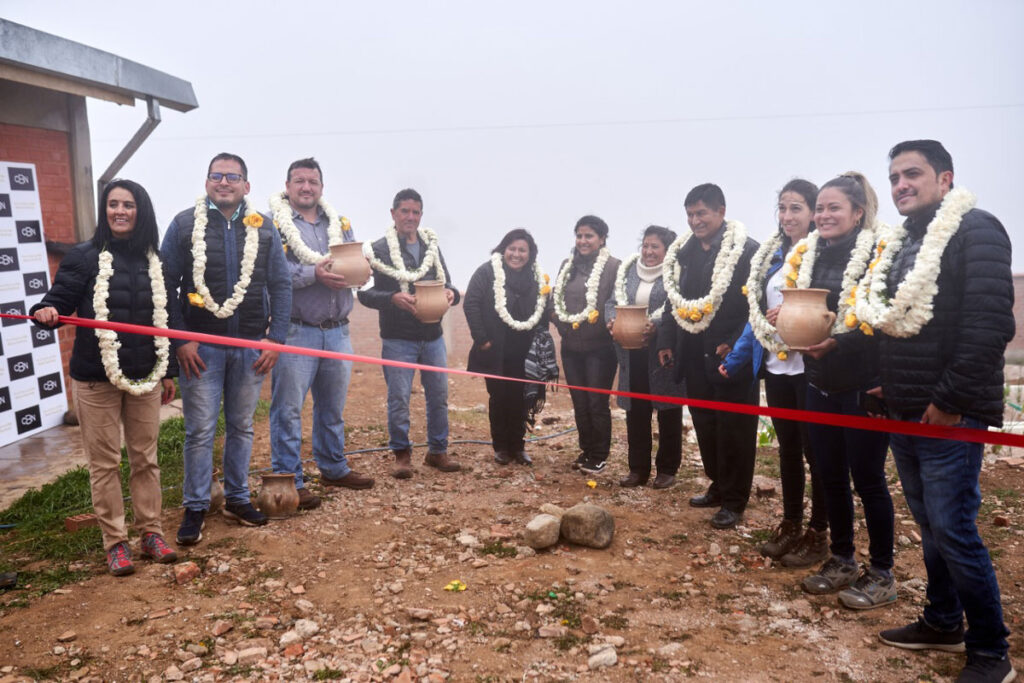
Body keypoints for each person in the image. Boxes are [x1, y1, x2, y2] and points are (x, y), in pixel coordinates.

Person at [868, 141, 1015, 683]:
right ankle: (943, 622)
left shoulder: (976, 230)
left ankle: (991, 652)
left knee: (953, 530)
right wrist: (885, 382)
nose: (900, 185)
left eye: (912, 173)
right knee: (931, 526)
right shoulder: (904, 240)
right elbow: (895, 319)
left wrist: (950, 401)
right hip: (905, 411)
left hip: (949, 415)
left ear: (945, 178)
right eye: (894, 177)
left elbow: (988, 327)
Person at [31, 179, 178, 575]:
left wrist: (169, 372)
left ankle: (151, 533)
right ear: (105, 210)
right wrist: (46, 313)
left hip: (146, 376)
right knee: (105, 463)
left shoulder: (158, 261)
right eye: (113, 204)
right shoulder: (83, 256)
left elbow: (168, 318)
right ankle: (115, 543)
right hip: (95, 379)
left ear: (141, 210)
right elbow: (57, 302)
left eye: (127, 204)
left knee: (145, 459)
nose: (119, 211)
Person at [161, 153, 292, 545]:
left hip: (250, 346)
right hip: (200, 349)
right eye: (216, 176)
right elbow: (164, 285)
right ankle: (196, 505)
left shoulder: (264, 228)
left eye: (232, 177)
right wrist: (181, 339)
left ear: (246, 186)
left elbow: (281, 285)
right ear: (206, 183)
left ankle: (236, 498)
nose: (224, 182)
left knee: (241, 426)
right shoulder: (184, 224)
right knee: (200, 430)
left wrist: (276, 338)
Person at [793, 172, 896, 610]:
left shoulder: (879, 254)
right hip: (820, 382)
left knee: (869, 479)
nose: (824, 215)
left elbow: (882, 320)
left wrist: (838, 341)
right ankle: (842, 559)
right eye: (820, 208)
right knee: (829, 473)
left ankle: (883, 572)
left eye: (834, 207)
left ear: (858, 213)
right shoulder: (810, 254)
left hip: (863, 385)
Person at [721, 179, 828, 566]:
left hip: (810, 368)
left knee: (817, 452)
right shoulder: (772, 258)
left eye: (796, 208)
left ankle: (819, 532)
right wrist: (736, 359)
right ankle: (791, 523)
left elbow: (833, 308)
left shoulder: (824, 255)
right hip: (778, 367)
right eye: (782, 208)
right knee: (789, 449)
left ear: (813, 213)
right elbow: (756, 318)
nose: (786, 216)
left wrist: (796, 314)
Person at [268, 158, 375, 511]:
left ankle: (333, 468)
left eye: (312, 181)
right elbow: (273, 272)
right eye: (299, 181)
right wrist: (314, 273)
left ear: (321, 187)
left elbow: (352, 260)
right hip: (297, 331)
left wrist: (363, 272)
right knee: (288, 410)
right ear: (287, 186)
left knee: (332, 407)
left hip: (338, 331)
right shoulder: (274, 225)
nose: (306, 187)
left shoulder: (338, 224)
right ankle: (290, 480)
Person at [657, 184, 759, 529]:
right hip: (693, 355)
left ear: (721, 211)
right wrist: (666, 341)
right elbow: (673, 301)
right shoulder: (683, 253)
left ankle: (734, 500)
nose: (695, 221)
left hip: (730, 357)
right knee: (705, 425)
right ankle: (718, 485)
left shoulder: (747, 251)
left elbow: (756, 305)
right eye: (690, 214)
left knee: (734, 429)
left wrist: (734, 342)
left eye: (701, 213)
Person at [357, 189, 461, 478]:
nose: (410, 217)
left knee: (438, 395)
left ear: (421, 215)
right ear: (393, 214)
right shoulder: (378, 249)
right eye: (405, 211)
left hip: (433, 336)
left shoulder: (431, 247)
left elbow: (448, 283)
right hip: (397, 338)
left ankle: (437, 450)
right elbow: (363, 292)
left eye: (415, 212)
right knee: (399, 398)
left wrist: (452, 294)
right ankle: (401, 455)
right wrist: (392, 298)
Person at [605, 225, 684, 489]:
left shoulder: (675, 274)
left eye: (655, 247)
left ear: (667, 250)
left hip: (662, 352)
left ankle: (667, 470)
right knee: (636, 411)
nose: (648, 251)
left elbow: (678, 308)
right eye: (645, 245)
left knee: (668, 412)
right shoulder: (629, 271)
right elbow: (611, 302)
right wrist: (612, 321)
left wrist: (656, 327)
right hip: (632, 352)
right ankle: (637, 469)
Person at [463, 229, 550, 465]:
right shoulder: (486, 272)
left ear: (530, 253)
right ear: (503, 249)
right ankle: (501, 447)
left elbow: (544, 309)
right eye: (512, 249)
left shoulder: (537, 277)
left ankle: (518, 446)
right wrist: (482, 339)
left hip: (525, 352)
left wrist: (541, 345)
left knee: (521, 397)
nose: (516, 254)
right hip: (495, 350)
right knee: (499, 397)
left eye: (522, 250)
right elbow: (471, 303)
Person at [551, 216, 620, 474]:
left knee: (596, 402)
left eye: (589, 236)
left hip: (600, 348)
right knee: (579, 402)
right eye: (579, 235)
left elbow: (616, 303)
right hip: (571, 347)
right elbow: (555, 300)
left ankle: (599, 455)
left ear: (602, 239)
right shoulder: (566, 265)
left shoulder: (614, 267)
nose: (583, 241)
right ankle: (586, 449)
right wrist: (562, 325)